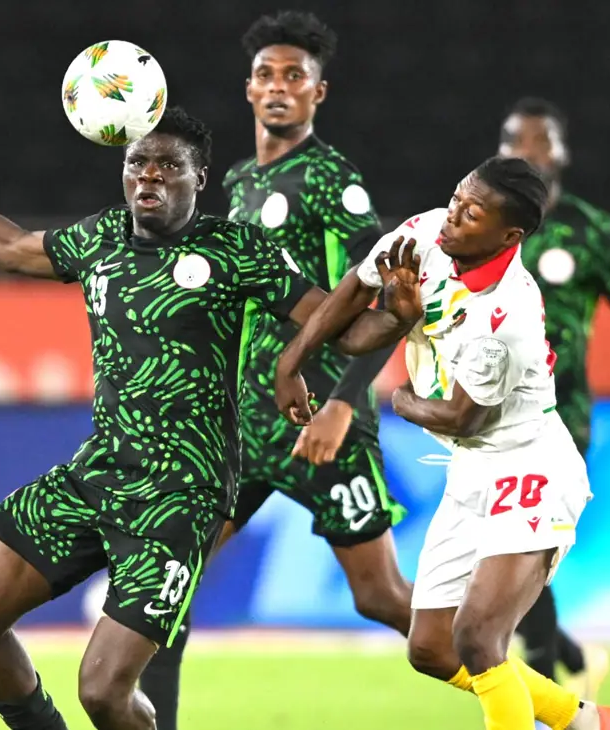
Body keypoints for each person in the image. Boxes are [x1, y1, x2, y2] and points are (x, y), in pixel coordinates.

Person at [0, 107, 387, 730]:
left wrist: (395, 307)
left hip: (181, 497)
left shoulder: (238, 250)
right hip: (99, 472)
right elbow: (3, 245)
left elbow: (347, 329)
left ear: (200, 178)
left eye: (168, 165)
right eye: (137, 162)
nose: (149, 175)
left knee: (102, 692)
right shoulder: (99, 239)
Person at [274, 156, 610, 730]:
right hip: (472, 469)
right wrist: (292, 361)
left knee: (478, 636)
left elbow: (463, 417)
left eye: (472, 213)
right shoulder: (423, 235)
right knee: (430, 647)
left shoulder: (508, 311)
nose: (452, 216)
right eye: (456, 199)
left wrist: (400, 399)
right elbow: (351, 296)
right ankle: (585, 721)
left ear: (509, 235)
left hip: (530, 466)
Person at [138, 13, 411, 730]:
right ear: (249, 89)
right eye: (267, 74)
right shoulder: (237, 180)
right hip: (247, 426)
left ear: (319, 92)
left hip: (321, 421)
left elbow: (384, 302)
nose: (279, 86)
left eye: (296, 76)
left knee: (381, 597)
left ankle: (542, 695)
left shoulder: (330, 179)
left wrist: (343, 405)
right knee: (168, 583)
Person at [500, 97, 610, 699]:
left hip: (559, 418)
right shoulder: (481, 224)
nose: (527, 152)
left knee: (525, 552)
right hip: (486, 417)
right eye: (516, 140)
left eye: (540, 140)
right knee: (499, 557)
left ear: (562, 152)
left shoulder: (592, 232)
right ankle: (572, 658)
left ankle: (547, 692)